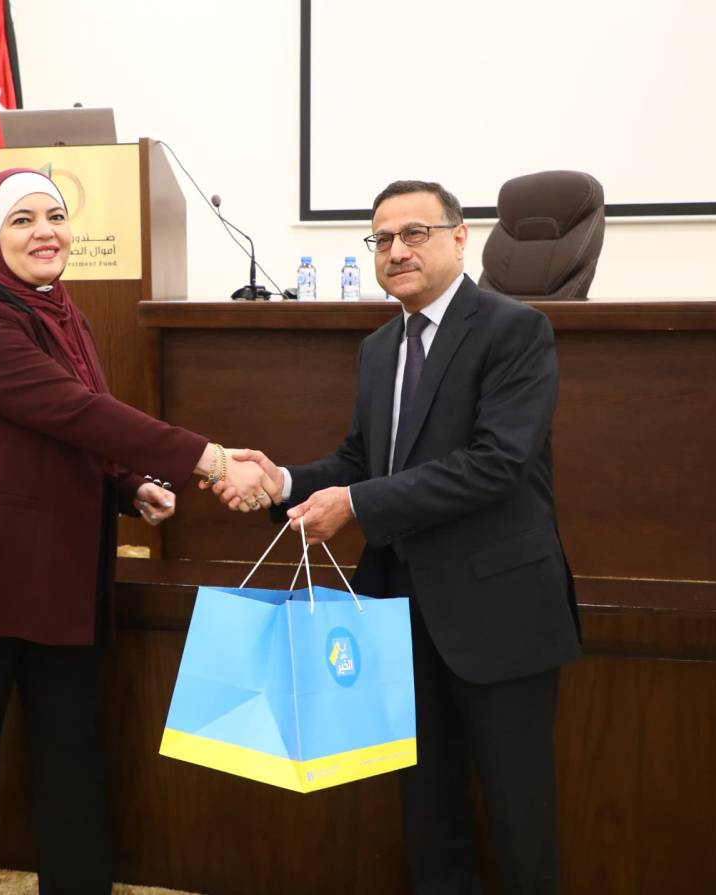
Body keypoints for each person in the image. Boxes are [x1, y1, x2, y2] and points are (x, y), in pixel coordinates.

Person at [0, 167, 274, 895]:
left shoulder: (68, 315)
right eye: (22, 219)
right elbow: (75, 411)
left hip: (57, 586)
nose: (45, 232)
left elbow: (68, 434)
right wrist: (212, 459)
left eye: (55, 217)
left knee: (74, 773)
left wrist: (128, 486)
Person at [218, 181, 581, 894]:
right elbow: (364, 461)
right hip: (401, 610)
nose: (397, 250)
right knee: (428, 810)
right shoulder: (380, 347)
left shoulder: (515, 329)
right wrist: (282, 481)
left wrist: (354, 503)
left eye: (415, 233)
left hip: (499, 611)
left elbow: (496, 463)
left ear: (460, 238)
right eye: (382, 239)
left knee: (520, 815)